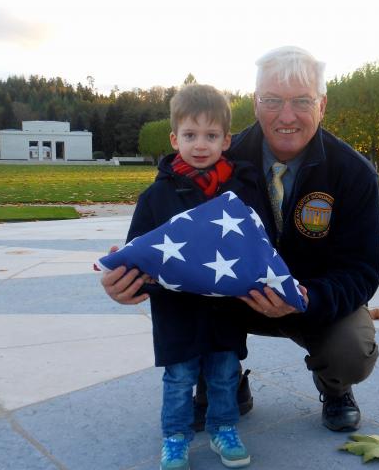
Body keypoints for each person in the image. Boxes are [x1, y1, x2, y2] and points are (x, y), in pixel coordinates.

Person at [102, 47, 379, 434]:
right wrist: (128, 275)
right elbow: (169, 227)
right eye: (272, 100)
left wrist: (308, 299)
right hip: (230, 300)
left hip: (308, 298)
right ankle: (227, 380)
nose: (286, 116)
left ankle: (335, 387)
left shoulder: (355, 173)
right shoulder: (216, 153)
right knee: (189, 313)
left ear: (323, 105)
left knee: (350, 351)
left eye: (301, 101)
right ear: (255, 103)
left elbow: (363, 272)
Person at [118, 84, 268, 470]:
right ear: (174, 138)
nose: (200, 144)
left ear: (226, 140)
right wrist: (122, 267)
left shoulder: (240, 190)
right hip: (177, 311)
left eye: (210, 135)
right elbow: (140, 248)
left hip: (225, 310)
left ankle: (223, 428)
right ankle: (175, 437)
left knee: (222, 374)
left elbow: (257, 242)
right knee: (179, 378)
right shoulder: (156, 196)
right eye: (190, 135)